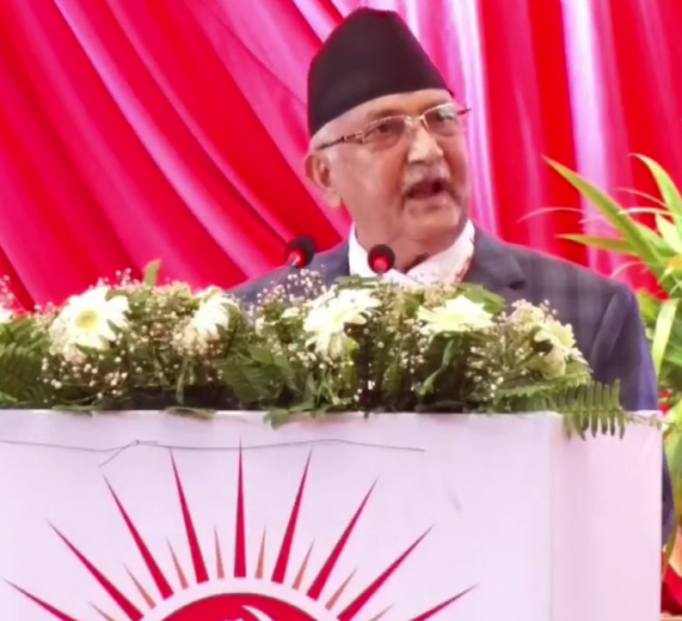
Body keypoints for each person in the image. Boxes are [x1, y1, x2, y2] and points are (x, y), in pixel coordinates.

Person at [231, 7, 674, 541]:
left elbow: (638, 522)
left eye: (441, 118)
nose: (427, 150)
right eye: (385, 130)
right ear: (324, 174)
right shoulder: (252, 325)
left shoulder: (590, 313)